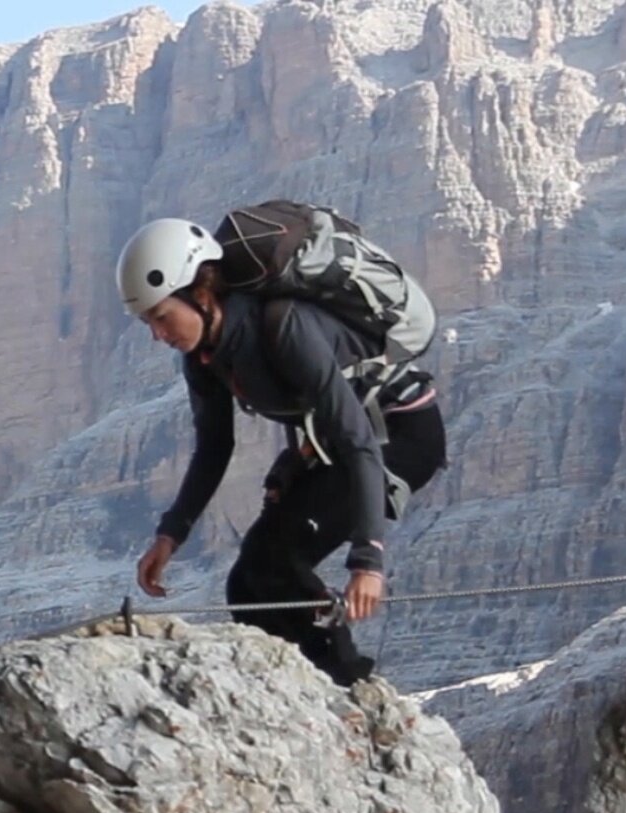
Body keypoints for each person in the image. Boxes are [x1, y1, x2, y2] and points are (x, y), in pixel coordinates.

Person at [117, 216, 446, 686]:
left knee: (275, 565)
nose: (158, 334)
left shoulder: (284, 326)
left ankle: (347, 688)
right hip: (338, 443)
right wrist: (170, 536)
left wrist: (368, 560)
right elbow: (214, 447)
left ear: (202, 293)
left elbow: (357, 440)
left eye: (162, 316)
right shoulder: (204, 359)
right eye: (148, 322)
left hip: (400, 435)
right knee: (247, 587)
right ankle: (297, 689)